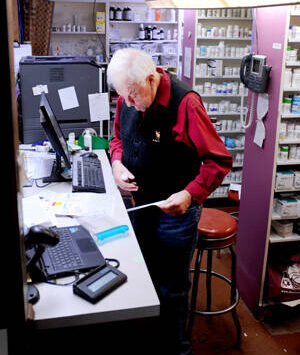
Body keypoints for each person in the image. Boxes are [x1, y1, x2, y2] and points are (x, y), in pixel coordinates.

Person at [107, 48, 232, 355]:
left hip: (176, 212)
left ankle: (177, 349)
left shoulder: (185, 103)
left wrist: (190, 194)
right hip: (141, 205)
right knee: (143, 275)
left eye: (134, 95)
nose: (131, 105)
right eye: (125, 97)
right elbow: (118, 139)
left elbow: (218, 161)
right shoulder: (127, 96)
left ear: (151, 79)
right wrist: (117, 163)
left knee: (171, 288)